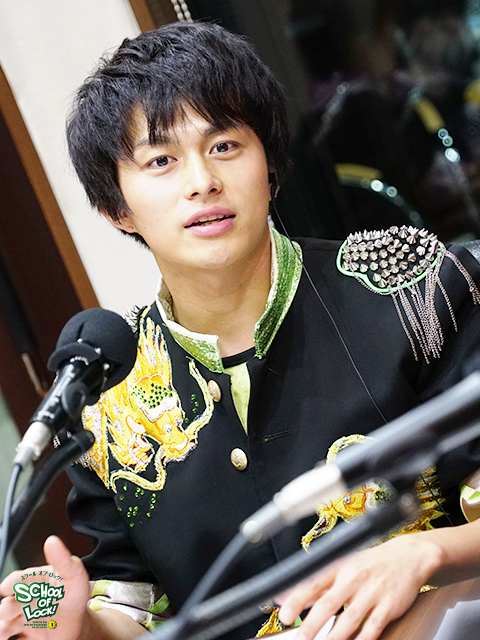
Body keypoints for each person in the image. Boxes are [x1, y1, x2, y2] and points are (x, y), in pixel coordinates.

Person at [2, 20, 480, 640]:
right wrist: (77, 623)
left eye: (224, 146)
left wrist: (429, 553)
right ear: (116, 208)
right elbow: (134, 610)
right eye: (161, 161)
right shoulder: (106, 401)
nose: (202, 181)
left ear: (270, 164)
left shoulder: (410, 291)